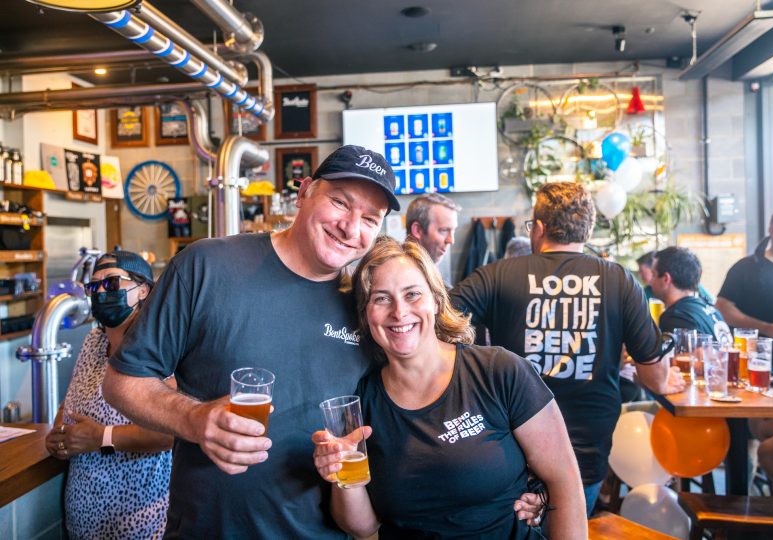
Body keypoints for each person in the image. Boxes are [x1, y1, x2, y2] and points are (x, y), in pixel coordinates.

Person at [100, 146, 540, 537]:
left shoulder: (368, 306)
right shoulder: (207, 266)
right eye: (339, 202)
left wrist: (524, 482)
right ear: (304, 191)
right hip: (210, 527)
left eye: (369, 219)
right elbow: (122, 382)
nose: (351, 227)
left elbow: (428, 400)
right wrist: (194, 418)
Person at [312, 238, 587, 538]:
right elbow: (363, 526)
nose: (399, 312)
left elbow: (564, 481)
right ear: (365, 315)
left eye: (413, 294)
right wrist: (342, 476)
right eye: (381, 298)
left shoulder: (499, 371)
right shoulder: (363, 401)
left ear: (436, 300)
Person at [450, 181, 684, 516]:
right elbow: (655, 376)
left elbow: (435, 321)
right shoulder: (619, 279)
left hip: (511, 448)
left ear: (540, 228)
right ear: (587, 230)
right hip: (585, 453)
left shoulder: (496, 275)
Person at [44, 251, 173, 539]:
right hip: (82, 521)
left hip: (139, 524)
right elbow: (70, 403)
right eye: (94, 286)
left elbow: (171, 433)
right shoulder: (93, 341)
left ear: (143, 290)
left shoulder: (157, 347)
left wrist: (101, 438)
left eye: (112, 283)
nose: (100, 292)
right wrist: (60, 434)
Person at [715, 208, 773, 350]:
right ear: (772, 230)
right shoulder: (746, 267)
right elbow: (722, 308)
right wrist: (766, 328)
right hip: (757, 363)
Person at [650, 246, 731, 340]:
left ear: (666, 279)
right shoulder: (712, 311)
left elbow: (685, 354)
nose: (650, 281)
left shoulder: (676, 317)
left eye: (653, 275)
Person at [637, 250, 715, 305]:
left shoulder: (690, 287)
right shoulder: (644, 293)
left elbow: (711, 302)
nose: (640, 275)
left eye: (642, 271)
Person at [405, 193, 460, 263]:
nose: (451, 240)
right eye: (444, 230)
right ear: (417, 230)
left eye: (453, 231)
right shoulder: (403, 271)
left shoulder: (425, 270)